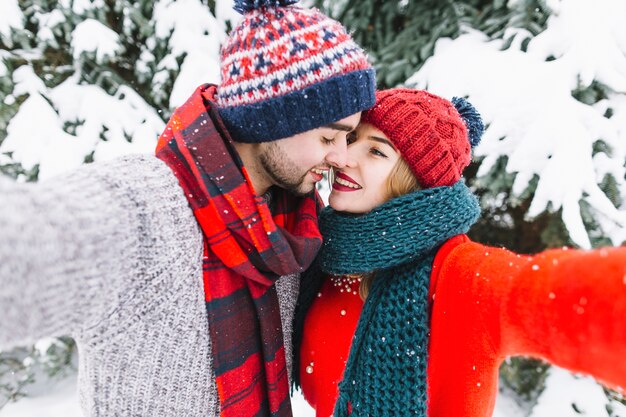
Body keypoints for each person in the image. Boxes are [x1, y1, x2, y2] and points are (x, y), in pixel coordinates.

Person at [0, 0, 376, 416]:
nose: (341, 157)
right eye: (328, 138)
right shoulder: (146, 207)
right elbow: (23, 245)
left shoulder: (293, 226)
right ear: (269, 122)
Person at [292, 88, 626, 417]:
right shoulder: (322, 249)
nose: (344, 157)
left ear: (414, 180)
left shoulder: (456, 272)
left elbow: (552, 297)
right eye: (352, 139)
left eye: (377, 152)